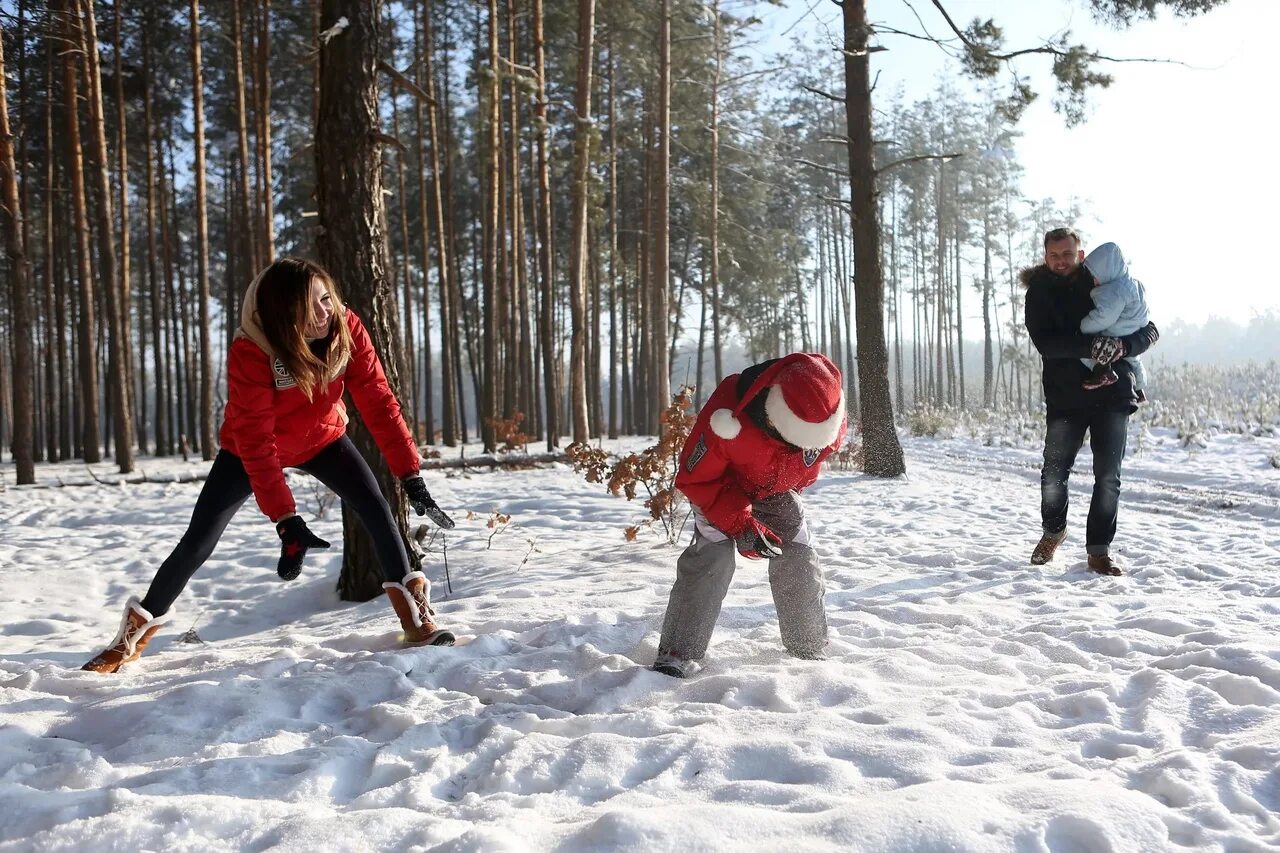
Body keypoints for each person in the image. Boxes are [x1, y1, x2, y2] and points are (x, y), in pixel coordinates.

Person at [83, 257, 457, 674]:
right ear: (284, 315)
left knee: (376, 508)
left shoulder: (347, 329)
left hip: (324, 439)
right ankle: (128, 641)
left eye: (326, 299)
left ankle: (416, 619)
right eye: (309, 307)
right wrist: (285, 518)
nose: (323, 313)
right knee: (198, 541)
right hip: (250, 451)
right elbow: (257, 439)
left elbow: (378, 401)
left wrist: (409, 472)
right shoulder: (253, 348)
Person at [652, 352, 846, 678]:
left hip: (773, 487)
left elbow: (813, 460)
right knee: (713, 557)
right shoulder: (726, 419)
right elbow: (695, 479)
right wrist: (741, 524)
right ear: (773, 418)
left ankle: (808, 645)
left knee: (797, 550)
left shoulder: (826, 413)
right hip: (717, 488)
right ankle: (677, 652)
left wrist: (788, 488)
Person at [1023, 228, 1160, 576]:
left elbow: (1149, 328)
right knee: (1053, 473)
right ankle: (1053, 531)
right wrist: (1092, 347)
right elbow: (1047, 344)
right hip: (1065, 397)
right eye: (1054, 255)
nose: (1061, 261)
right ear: (1045, 256)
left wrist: (1124, 348)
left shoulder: (1104, 280)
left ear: (1079, 255)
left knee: (1108, 476)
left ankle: (1099, 550)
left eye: (1067, 254)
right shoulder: (1039, 292)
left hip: (1113, 395)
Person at [1078, 242, 1150, 394]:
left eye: (1095, 276)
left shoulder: (1114, 292)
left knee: (1085, 348)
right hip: (1133, 328)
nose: (1094, 281)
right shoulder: (1132, 283)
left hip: (1117, 330)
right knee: (1134, 359)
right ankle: (1140, 387)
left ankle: (1102, 370)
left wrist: (1084, 326)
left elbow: (1104, 317)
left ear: (1106, 272)